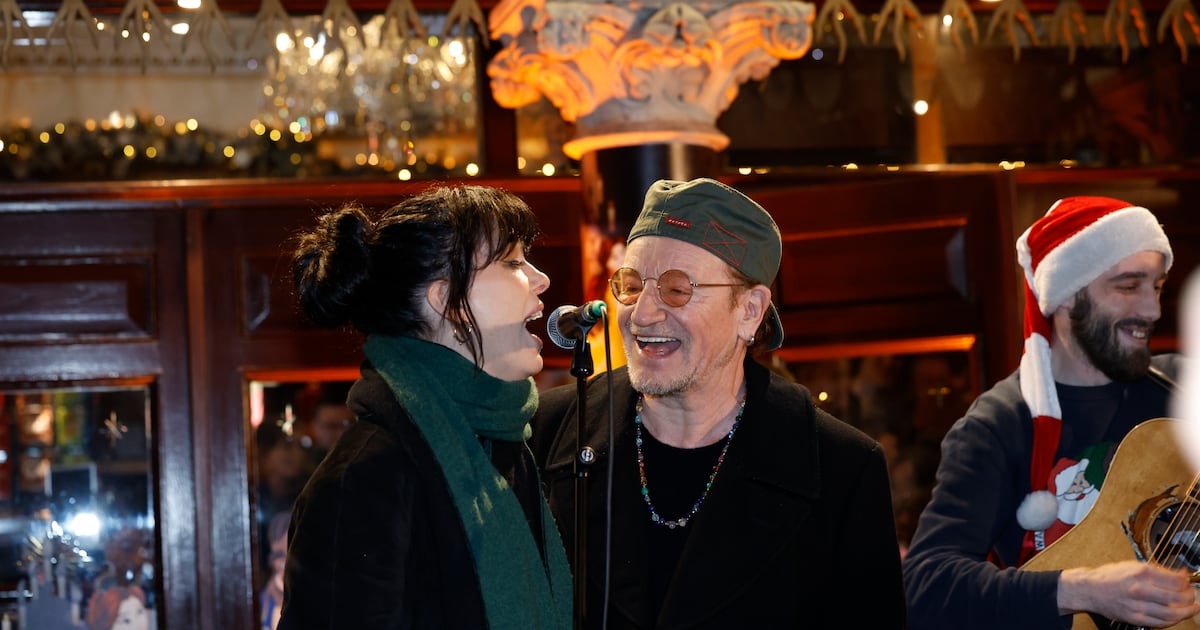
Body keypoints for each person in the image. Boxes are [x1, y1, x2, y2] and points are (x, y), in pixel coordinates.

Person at [531, 178, 906, 628]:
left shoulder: (841, 469)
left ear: (749, 310)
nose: (642, 313)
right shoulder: (546, 432)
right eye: (630, 286)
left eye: (676, 289)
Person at [278, 185, 572, 629]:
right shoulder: (365, 476)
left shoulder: (508, 446)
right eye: (512, 262)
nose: (540, 279)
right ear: (446, 301)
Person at [903, 195, 1200, 629]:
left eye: (1156, 286)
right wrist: (1085, 590)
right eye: (1128, 286)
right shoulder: (999, 425)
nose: (1152, 309)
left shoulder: (1183, 390)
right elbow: (925, 588)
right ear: (1066, 296)